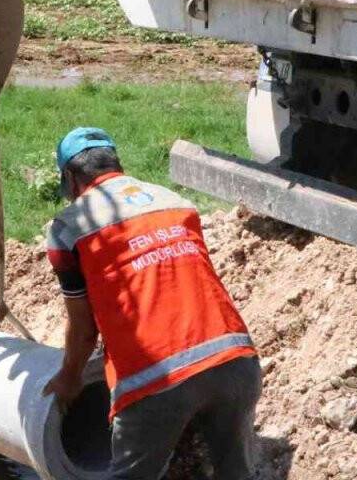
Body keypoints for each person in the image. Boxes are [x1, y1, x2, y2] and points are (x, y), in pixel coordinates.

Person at [41, 127, 262, 480]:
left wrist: (69, 379)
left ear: (70, 177)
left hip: (156, 378)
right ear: (116, 163)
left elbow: (84, 331)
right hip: (236, 362)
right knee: (235, 474)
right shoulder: (173, 202)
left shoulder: (70, 227)